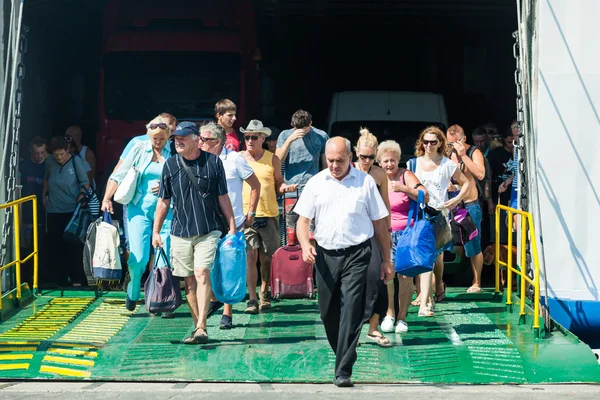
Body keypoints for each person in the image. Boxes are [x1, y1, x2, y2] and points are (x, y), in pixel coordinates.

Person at [294, 136, 392, 388]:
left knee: (351, 309)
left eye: (339, 160)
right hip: (326, 255)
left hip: (358, 254)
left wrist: (386, 260)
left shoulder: (365, 183)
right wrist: (305, 245)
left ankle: (343, 370)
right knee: (328, 312)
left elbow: (380, 224)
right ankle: (343, 352)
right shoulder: (316, 183)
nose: (335, 165)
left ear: (351, 157)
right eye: (330, 160)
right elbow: (302, 221)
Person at [153, 121, 236, 345]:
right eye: (175, 138)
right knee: (189, 282)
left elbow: (223, 197)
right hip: (180, 231)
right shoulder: (170, 165)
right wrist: (156, 231)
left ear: (195, 140)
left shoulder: (213, 162)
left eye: (182, 137)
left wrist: (232, 226)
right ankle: (199, 327)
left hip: (208, 229)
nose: (177, 141)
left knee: (201, 273)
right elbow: (163, 201)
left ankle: (201, 325)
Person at [102, 115, 174, 311]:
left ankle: (162, 297)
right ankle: (133, 290)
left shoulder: (175, 151)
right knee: (139, 257)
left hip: (167, 210)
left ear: (168, 135)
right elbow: (119, 174)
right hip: (139, 209)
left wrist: (168, 185)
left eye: (161, 138)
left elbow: (184, 178)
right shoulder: (138, 148)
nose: (158, 142)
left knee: (163, 254)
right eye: (154, 139)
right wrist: (107, 198)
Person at [199, 121, 261, 329]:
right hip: (206, 221)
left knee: (228, 265)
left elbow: (255, 185)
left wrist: (250, 212)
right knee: (207, 264)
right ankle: (215, 298)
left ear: (217, 142)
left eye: (204, 140)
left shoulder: (235, 160)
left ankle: (227, 311)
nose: (200, 144)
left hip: (231, 221)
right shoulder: (199, 161)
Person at [409, 126, 470, 316]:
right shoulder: (413, 164)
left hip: (439, 215)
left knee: (434, 257)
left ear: (440, 144)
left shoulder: (446, 164)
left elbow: (466, 183)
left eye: (433, 142)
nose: (428, 145)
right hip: (419, 216)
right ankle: (425, 298)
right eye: (425, 142)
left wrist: (456, 199)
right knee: (425, 256)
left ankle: (432, 292)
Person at [240, 120, 296, 315]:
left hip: (269, 214)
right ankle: (252, 298)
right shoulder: (239, 158)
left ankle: (264, 291)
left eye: (253, 137)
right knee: (250, 255)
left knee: (266, 258)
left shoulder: (272, 159)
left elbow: (278, 184)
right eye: (246, 137)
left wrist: (285, 188)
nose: (249, 140)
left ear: (262, 138)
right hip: (246, 215)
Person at [377, 140, 429, 335]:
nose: (389, 164)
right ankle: (390, 313)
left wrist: (404, 189)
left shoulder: (405, 175)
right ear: (379, 162)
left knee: (405, 276)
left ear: (399, 160)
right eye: (385, 161)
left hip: (407, 234)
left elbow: (425, 195)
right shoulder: (376, 177)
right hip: (384, 234)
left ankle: (403, 317)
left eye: (393, 160)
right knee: (388, 275)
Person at [350, 128, 392, 346]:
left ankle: (373, 328)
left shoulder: (379, 175)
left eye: (371, 157)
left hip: (375, 232)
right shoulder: (347, 171)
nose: (366, 160)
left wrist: (389, 232)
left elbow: (386, 206)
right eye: (362, 156)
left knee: (378, 279)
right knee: (353, 282)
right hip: (352, 232)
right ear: (355, 153)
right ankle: (352, 330)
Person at [42, 136, 91, 286]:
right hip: (53, 210)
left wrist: (81, 196)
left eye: (62, 154)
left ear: (67, 150)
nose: (59, 158)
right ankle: (57, 277)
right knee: (55, 245)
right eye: (56, 155)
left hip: (72, 211)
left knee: (73, 245)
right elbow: (46, 179)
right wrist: (43, 196)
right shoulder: (50, 161)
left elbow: (86, 183)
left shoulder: (76, 162)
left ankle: (77, 278)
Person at [275, 109, 328, 244]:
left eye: (305, 127)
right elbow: (277, 160)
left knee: (312, 234)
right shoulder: (285, 135)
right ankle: (293, 263)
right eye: (297, 128)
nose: (301, 131)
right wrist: (290, 139)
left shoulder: (321, 136)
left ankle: (311, 264)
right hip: (291, 191)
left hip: (313, 192)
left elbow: (326, 165)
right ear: (292, 124)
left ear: (311, 123)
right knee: (290, 235)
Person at [447, 124, 486, 293]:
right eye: (449, 144)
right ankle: (440, 284)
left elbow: (480, 174)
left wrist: (463, 155)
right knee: (446, 244)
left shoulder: (473, 152)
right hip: (451, 205)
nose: (451, 147)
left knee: (473, 244)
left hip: (469, 204)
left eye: (454, 143)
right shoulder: (446, 154)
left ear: (463, 140)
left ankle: (476, 282)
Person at [18, 136, 48, 287]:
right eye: (37, 153)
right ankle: (26, 278)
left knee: (43, 246)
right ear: (31, 150)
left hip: (45, 214)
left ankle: (42, 279)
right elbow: (18, 192)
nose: (39, 156)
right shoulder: (23, 167)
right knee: (26, 248)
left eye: (42, 152)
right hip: (28, 214)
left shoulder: (50, 166)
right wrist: (20, 214)